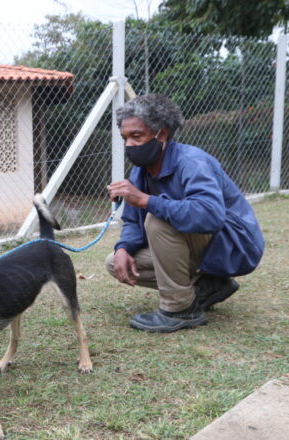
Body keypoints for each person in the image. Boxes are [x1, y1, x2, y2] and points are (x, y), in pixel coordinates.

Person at [105, 94, 264, 333]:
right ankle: (208, 286)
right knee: (116, 263)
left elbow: (209, 215)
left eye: (137, 136)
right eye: (125, 138)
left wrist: (145, 200)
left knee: (157, 218)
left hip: (233, 242)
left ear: (163, 133)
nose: (129, 145)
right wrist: (123, 248)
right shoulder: (140, 173)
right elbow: (132, 221)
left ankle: (179, 310)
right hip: (198, 242)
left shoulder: (192, 161)